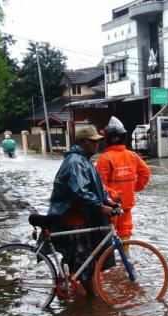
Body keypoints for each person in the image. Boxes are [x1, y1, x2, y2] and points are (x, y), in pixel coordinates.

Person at [47, 125, 118, 296]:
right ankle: (93, 300)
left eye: (98, 141)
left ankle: (66, 288)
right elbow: (80, 192)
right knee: (84, 260)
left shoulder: (85, 160)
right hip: (73, 218)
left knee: (77, 258)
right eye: (92, 142)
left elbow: (97, 186)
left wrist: (108, 200)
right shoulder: (76, 162)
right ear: (82, 142)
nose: (96, 145)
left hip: (81, 216)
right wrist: (101, 207)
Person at [96, 116, 151, 248]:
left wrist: (112, 195)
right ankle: (125, 263)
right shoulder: (132, 156)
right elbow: (146, 172)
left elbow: (99, 185)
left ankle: (112, 265)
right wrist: (134, 188)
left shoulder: (105, 158)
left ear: (112, 138)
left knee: (108, 237)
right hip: (126, 205)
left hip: (110, 207)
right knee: (125, 234)